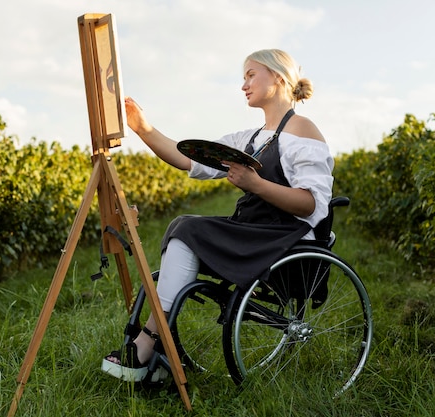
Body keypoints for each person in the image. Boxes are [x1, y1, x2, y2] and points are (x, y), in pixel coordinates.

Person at [102, 48, 334, 381]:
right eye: (244, 78)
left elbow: (310, 204)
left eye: (251, 75)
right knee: (184, 227)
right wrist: (143, 128)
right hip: (254, 232)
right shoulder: (251, 138)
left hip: (285, 239)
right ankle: (157, 342)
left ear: (279, 77)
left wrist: (255, 184)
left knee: (187, 228)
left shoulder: (303, 131)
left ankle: (151, 341)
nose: (244, 85)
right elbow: (189, 159)